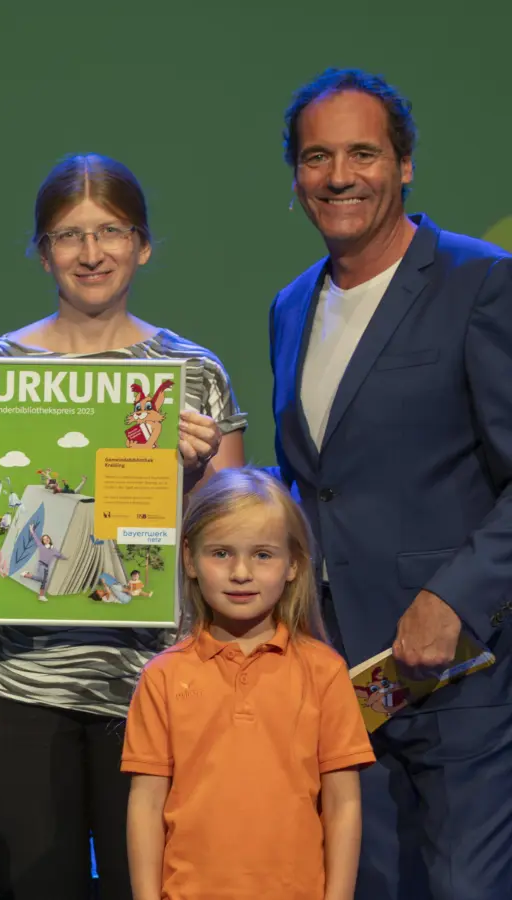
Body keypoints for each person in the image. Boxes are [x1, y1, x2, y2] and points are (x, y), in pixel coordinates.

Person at [0, 153, 245, 900]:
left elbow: (236, 538)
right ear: (44, 253)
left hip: (157, 685)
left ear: (143, 245)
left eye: (111, 232)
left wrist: (197, 477)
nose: (92, 253)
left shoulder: (192, 375)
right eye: (70, 236)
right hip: (11, 684)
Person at [268, 67, 512, 900]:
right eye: (316, 157)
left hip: (460, 684)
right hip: (344, 688)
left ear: (404, 165)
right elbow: (321, 480)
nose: (339, 176)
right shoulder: (291, 306)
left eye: (363, 153)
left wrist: (455, 598)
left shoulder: (482, 282)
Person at [123, 468, 373, 900]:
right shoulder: (162, 677)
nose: (241, 573)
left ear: (293, 563)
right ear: (190, 559)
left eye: (262, 555)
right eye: (221, 553)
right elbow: (145, 806)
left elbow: (342, 804)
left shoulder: (325, 672)